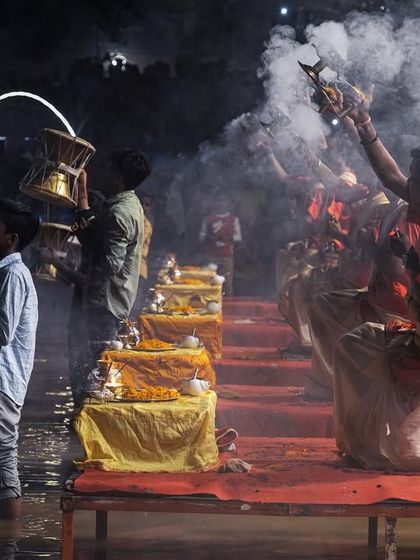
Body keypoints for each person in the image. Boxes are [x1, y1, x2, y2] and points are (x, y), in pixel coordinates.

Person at [77, 149, 152, 359]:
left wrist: (87, 244)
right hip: (114, 302)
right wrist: (81, 194)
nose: (105, 174)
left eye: (109, 170)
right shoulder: (130, 203)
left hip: (105, 304)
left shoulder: (119, 213)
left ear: (119, 177)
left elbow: (111, 264)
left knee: (98, 368)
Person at [0, 199, 39, 519]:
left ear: (11, 237)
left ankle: (10, 544)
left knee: (4, 463)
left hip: (3, 382)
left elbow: (3, 332)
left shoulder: (13, 274)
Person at [199, 192, 242, 295]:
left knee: (228, 284)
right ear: (214, 202)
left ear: (228, 203)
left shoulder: (233, 219)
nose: (221, 203)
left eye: (224, 200)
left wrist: (228, 238)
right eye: (219, 200)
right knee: (209, 283)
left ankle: (229, 306)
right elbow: (201, 236)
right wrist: (210, 238)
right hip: (211, 256)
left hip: (227, 256)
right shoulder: (209, 219)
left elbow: (239, 237)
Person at [132, 192, 154, 319]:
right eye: (142, 203)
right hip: (130, 267)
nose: (144, 206)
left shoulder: (146, 224)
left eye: (147, 205)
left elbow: (137, 242)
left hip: (139, 267)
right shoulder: (134, 219)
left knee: (135, 304)